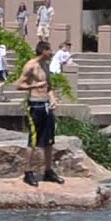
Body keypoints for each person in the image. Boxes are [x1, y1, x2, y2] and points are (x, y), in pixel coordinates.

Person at [16, 41, 64, 187]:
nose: (52, 53)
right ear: (43, 51)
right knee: (34, 140)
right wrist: (34, 85)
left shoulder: (46, 65)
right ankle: (28, 172)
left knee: (49, 140)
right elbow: (18, 85)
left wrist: (53, 99)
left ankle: (48, 171)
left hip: (46, 105)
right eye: (49, 51)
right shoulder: (31, 65)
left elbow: (49, 86)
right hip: (35, 105)